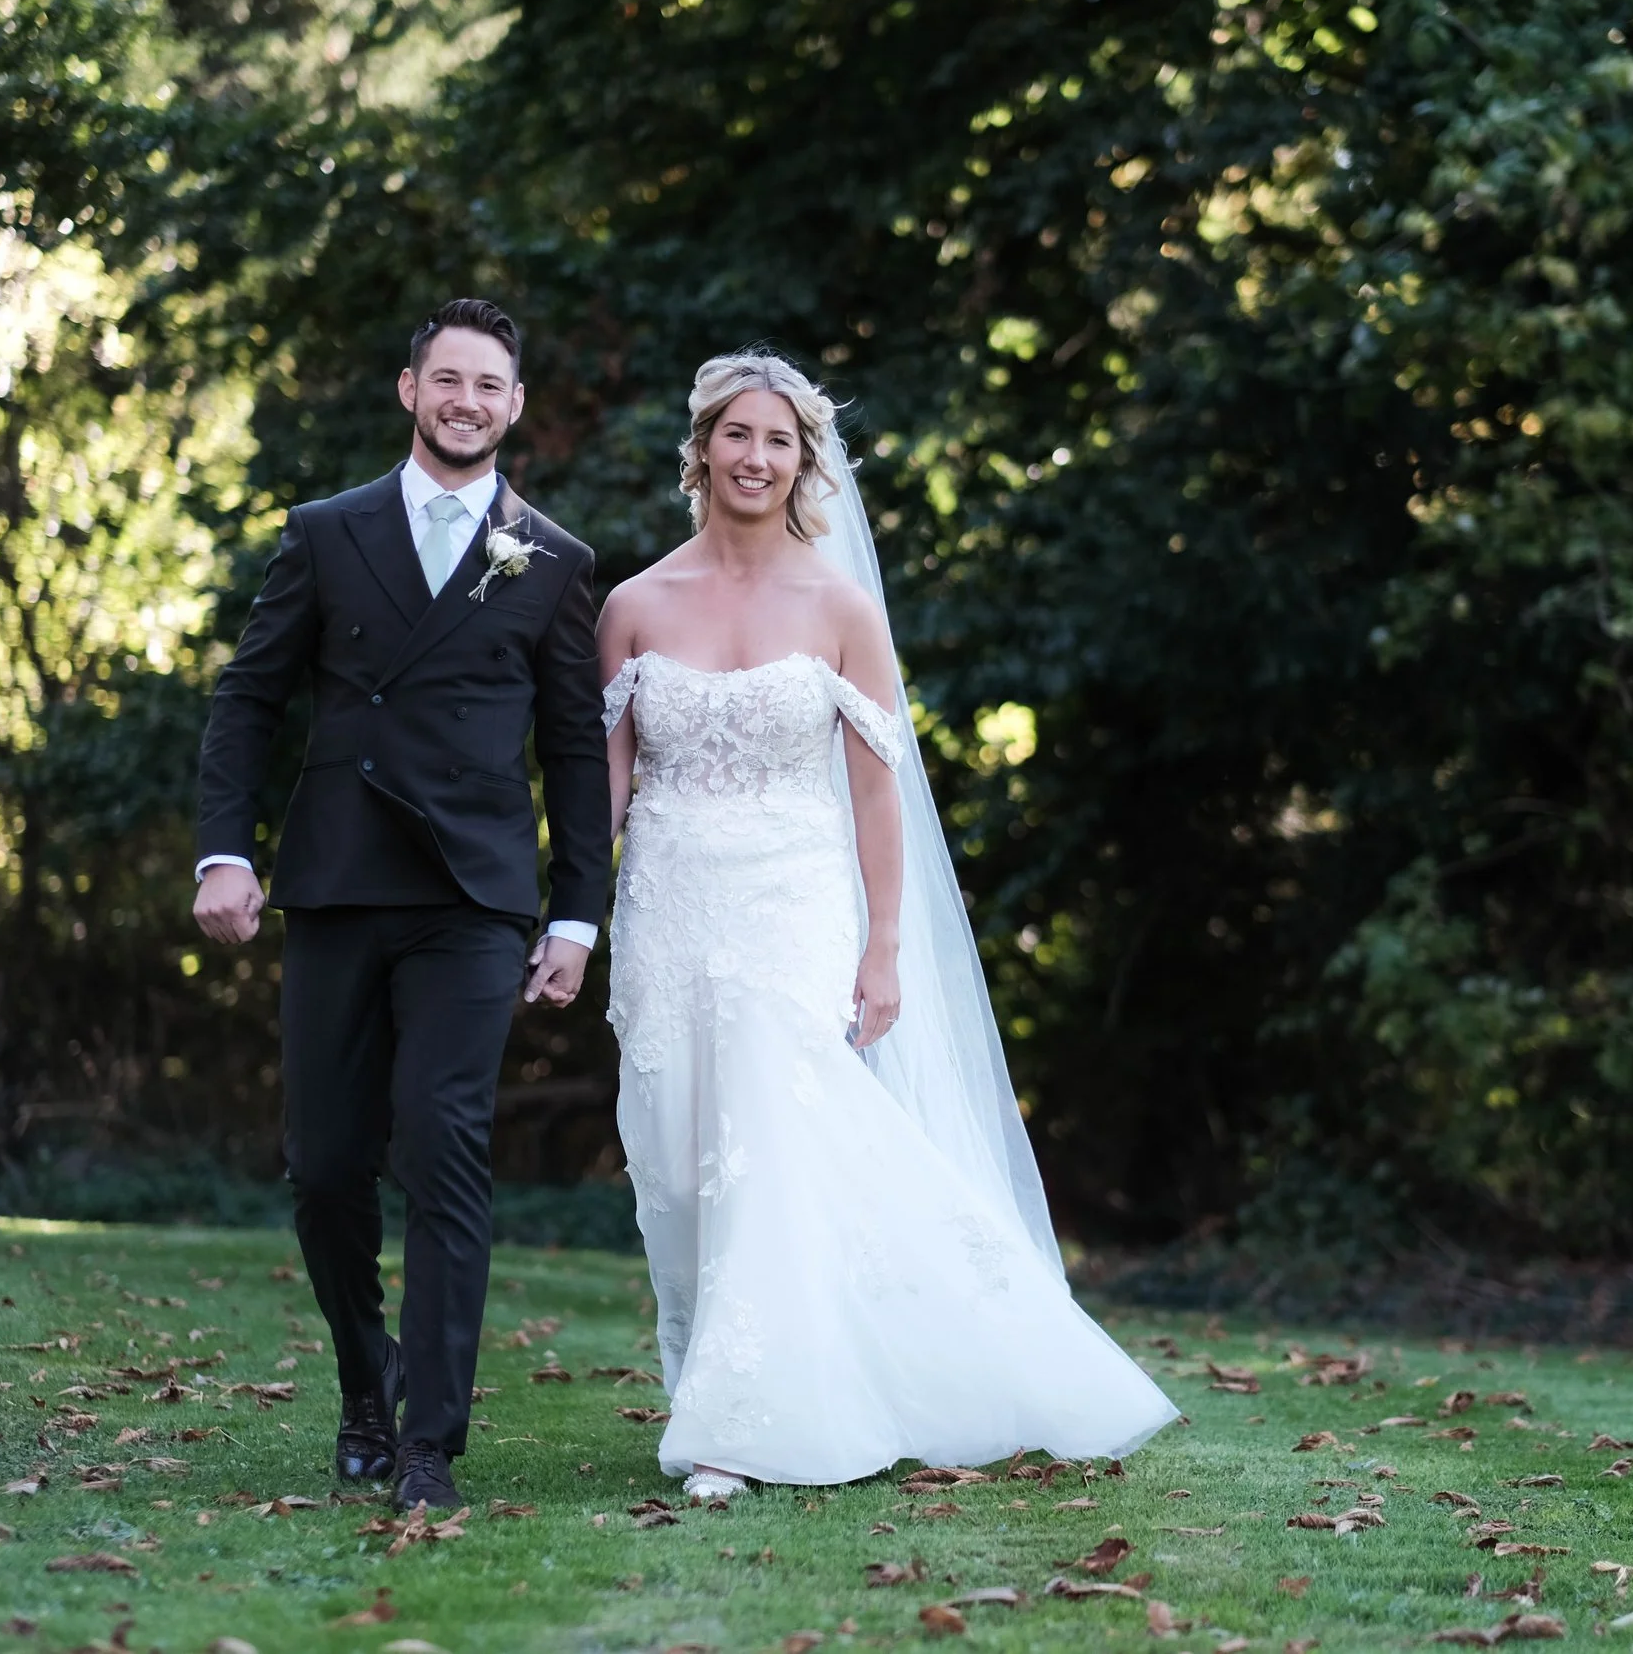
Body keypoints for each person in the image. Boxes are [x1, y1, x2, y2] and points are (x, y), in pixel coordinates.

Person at [595, 350, 1177, 1499]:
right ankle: (739, 1376)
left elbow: (876, 792)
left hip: (792, 910)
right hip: (666, 912)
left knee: (772, 1157)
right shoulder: (631, 606)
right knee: (674, 1163)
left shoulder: (842, 608)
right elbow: (602, 796)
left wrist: (882, 946)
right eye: (737, 435)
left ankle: (740, 1427)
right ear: (701, 448)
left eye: (780, 441)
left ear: (804, 461)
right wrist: (556, 915)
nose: (756, 458)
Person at [191, 299, 611, 1514]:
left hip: (473, 898)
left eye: (490, 383)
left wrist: (575, 916)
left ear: (514, 404)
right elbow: (247, 702)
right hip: (335, 880)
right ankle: (363, 1382)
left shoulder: (555, 558)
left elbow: (577, 754)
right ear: (409, 389)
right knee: (324, 1166)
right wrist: (227, 850)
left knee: (443, 1147)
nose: (468, 399)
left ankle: (428, 1434)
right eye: (447, 379)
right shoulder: (327, 533)